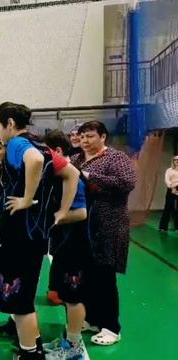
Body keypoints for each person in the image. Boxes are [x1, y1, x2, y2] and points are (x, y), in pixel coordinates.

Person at [0, 102, 79, 360]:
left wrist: (28, 198)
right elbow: (73, 174)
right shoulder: (43, 145)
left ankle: (30, 355)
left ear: (9, 124)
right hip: (35, 235)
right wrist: (61, 212)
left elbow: (35, 160)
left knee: (19, 303)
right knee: (24, 295)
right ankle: (35, 346)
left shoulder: (18, 144)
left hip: (18, 236)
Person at [71, 120, 136, 346]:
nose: (85, 141)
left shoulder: (115, 158)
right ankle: (91, 319)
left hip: (109, 226)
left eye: (90, 136)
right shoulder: (76, 159)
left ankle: (111, 327)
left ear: (103, 136)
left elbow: (128, 182)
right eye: (82, 137)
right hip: (83, 226)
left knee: (105, 278)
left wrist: (90, 176)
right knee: (87, 276)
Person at [43, 129, 91, 359]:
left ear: (58, 151)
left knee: (73, 298)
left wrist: (49, 220)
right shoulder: (60, 177)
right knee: (65, 295)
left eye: (47, 151)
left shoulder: (74, 179)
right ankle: (69, 341)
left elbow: (81, 213)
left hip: (76, 245)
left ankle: (74, 348)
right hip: (64, 244)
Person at [159, 155, 178, 231]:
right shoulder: (169, 170)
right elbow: (167, 180)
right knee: (168, 208)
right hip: (171, 189)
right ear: (173, 161)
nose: (177, 161)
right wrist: (172, 188)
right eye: (175, 160)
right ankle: (163, 227)